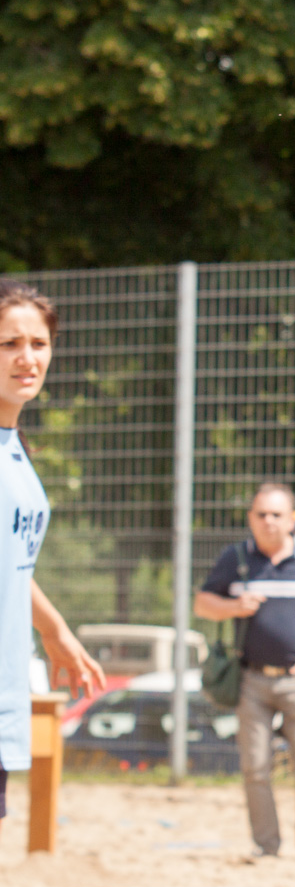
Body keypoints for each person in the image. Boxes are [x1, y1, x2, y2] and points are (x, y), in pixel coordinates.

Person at [0, 281, 106, 838]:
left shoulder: (14, 445)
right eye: (9, 343)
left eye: (38, 343)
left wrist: (55, 629)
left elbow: (11, 560)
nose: (27, 357)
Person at [195, 482, 295, 861]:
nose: (268, 521)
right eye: (261, 514)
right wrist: (233, 607)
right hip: (252, 679)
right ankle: (266, 846)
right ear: (250, 518)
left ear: (292, 519)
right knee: (256, 768)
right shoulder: (237, 558)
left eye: (276, 514)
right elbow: (202, 604)